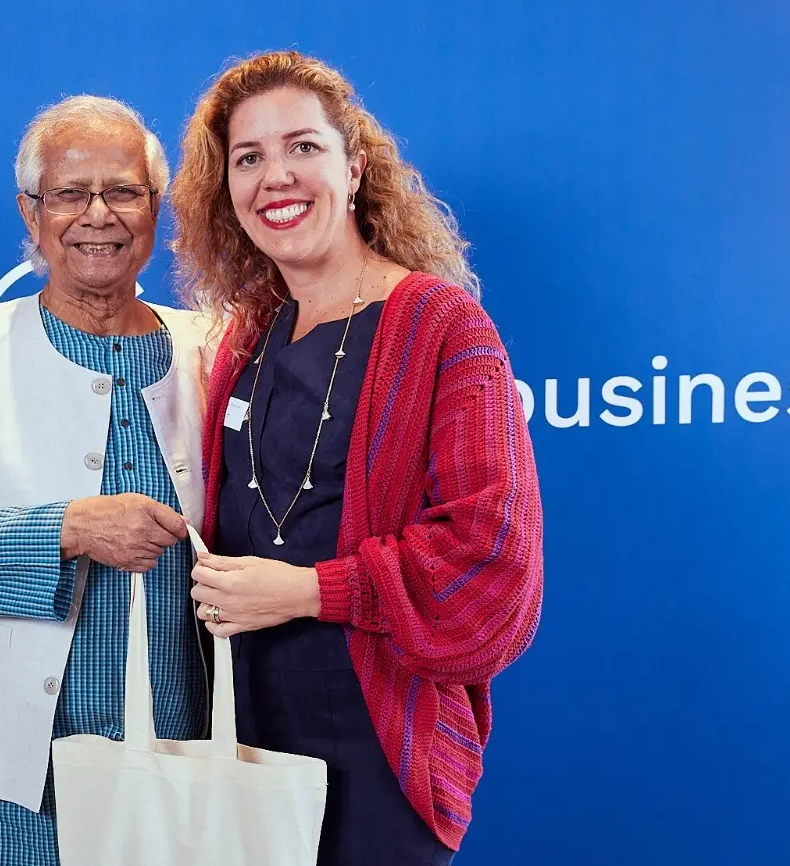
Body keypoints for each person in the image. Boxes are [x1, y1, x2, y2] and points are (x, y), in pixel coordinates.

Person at [168, 51, 544, 865]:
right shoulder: (246, 337)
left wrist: (308, 591)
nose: (277, 176)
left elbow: (490, 559)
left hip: (378, 746)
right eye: (248, 157)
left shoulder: (442, 327)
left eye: (303, 147)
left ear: (355, 168)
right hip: (244, 734)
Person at [0, 95, 212, 866]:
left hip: (187, 757)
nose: (97, 215)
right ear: (31, 215)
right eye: (69, 194)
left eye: (123, 191)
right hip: (2, 778)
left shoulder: (217, 349)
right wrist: (69, 528)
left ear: (155, 210)